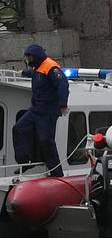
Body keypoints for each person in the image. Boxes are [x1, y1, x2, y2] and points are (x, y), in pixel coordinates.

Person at [14, 44, 68, 176]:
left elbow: (62, 85)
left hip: (48, 112)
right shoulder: (38, 67)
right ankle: (25, 161)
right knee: (19, 128)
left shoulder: (51, 67)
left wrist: (63, 105)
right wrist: (22, 73)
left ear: (36, 56)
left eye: (29, 57)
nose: (28, 60)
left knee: (46, 141)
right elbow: (34, 73)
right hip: (36, 109)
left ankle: (57, 173)